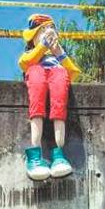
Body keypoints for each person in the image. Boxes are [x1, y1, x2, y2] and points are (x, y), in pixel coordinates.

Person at [18, 14, 80, 181]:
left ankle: (59, 153)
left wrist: (58, 52)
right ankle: (35, 153)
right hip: (37, 75)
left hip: (56, 74)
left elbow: (73, 73)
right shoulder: (31, 54)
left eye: (49, 30)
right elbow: (24, 63)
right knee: (37, 80)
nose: (47, 33)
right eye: (42, 30)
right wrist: (42, 46)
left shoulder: (57, 61)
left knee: (60, 82)